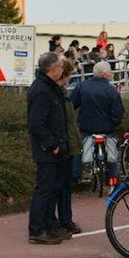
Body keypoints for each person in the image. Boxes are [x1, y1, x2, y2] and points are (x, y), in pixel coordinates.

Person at [26, 52, 69, 245]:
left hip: (55, 148)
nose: (62, 69)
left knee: (53, 188)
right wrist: (52, 144)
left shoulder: (50, 88)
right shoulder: (42, 91)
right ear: (53, 68)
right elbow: (36, 123)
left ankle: (51, 225)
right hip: (47, 150)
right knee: (44, 189)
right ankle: (37, 229)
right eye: (60, 66)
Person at [70, 61, 125, 204]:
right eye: (110, 72)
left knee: (78, 149)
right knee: (112, 157)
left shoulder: (82, 87)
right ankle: (113, 181)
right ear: (105, 74)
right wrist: (115, 124)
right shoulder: (112, 91)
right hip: (107, 130)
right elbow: (118, 112)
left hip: (87, 129)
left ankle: (74, 176)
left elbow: (72, 105)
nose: (112, 74)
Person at [51, 59, 81, 239]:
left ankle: (65, 219)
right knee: (60, 186)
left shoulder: (62, 93)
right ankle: (61, 220)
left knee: (65, 185)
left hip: (68, 145)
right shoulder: (58, 94)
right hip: (64, 146)